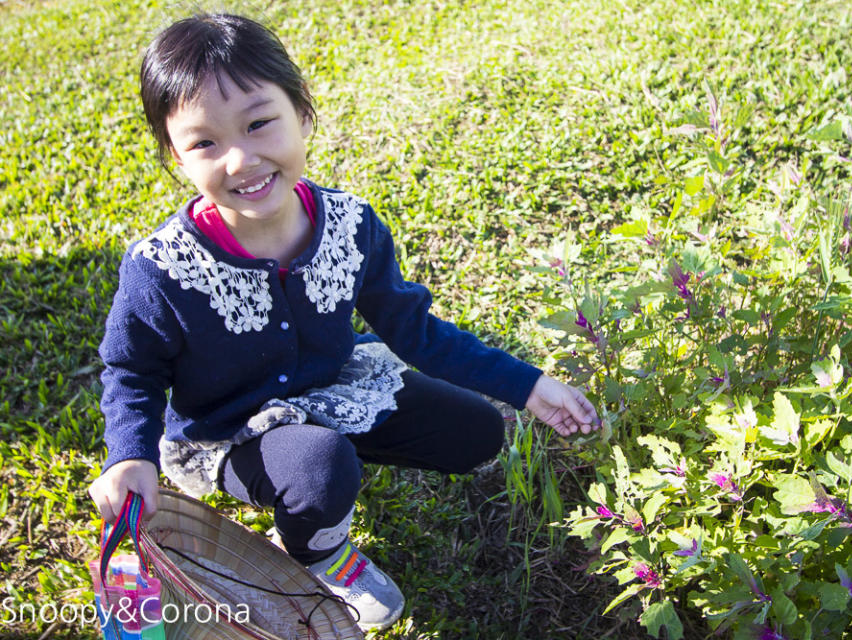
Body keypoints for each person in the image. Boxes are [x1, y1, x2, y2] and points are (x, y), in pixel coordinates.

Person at [88, 12, 600, 631]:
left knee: (475, 433)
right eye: (204, 143)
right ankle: (318, 551)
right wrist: (128, 456)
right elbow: (130, 369)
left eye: (258, 123)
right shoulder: (163, 267)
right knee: (318, 468)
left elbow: (417, 332)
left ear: (302, 114)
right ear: (176, 156)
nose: (240, 159)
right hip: (229, 429)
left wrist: (528, 385)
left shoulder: (350, 226)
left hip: (335, 389)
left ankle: (322, 469)